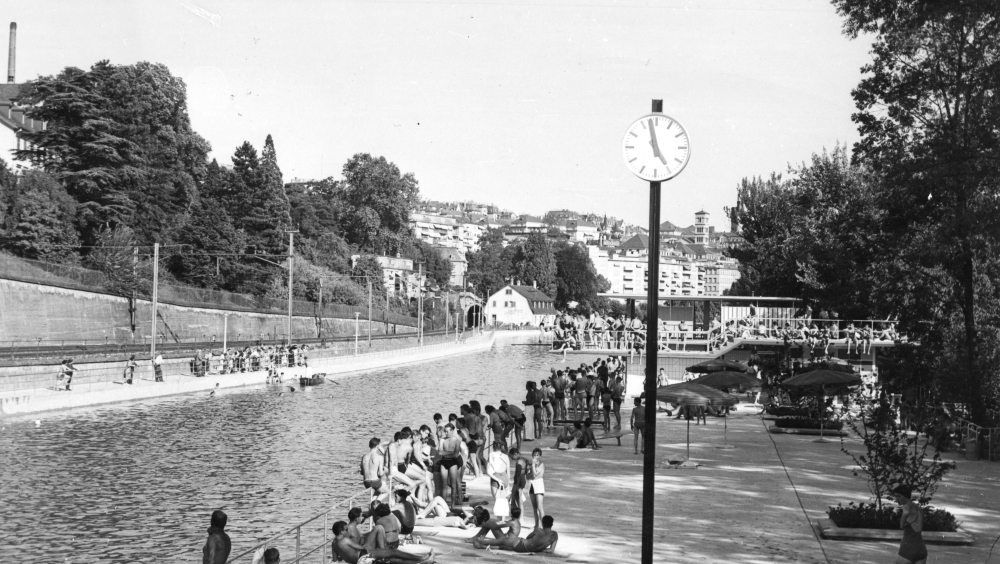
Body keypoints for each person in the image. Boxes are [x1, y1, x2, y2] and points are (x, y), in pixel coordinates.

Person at [331, 520, 434, 564]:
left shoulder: (334, 544)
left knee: (392, 560)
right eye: (346, 529)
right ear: (341, 532)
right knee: (393, 553)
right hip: (362, 556)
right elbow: (360, 547)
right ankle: (422, 558)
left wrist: (345, 554)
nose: (348, 531)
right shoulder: (345, 539)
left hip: (357, 561)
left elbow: (336, 559)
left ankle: (422, 561)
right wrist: (364, 545)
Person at [472, 514, 559, 553]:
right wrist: (538, 548)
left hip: (520, 543)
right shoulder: (554, 535)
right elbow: (551, 550)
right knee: (503, 546)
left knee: (502, 540)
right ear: (551, 524)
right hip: (525, 549)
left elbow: (528, 537)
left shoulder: (538, 530)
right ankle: (482, 546)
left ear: (543, 523)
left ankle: (481, 541)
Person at [893, 485, 927, 564]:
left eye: (899, 496)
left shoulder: (906, 506)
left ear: (906, 496)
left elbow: (903, 521)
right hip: (921, 548)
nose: (896, 499)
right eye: (895, 496)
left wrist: (903, 520)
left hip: (908, 548)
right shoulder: (918, 507)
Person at [437, 423, 464, 509]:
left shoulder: (457, 440)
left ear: (452, 431)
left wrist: (446, 454)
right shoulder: (442, 440)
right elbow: (440, 453)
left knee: (453, 485)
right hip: (444, 462)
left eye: (447, 431)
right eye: (445, 431)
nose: (446, 433)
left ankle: (452, 505)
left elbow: (455, 455)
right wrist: (450, 453)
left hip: (453, 463)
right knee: (444, 485)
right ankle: (444, 505)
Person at [527, 448, 545, 529]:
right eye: (534, 455)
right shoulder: (531, 465)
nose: (536, 457)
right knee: (534, 507)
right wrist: (530, 468)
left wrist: (533, 465)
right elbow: (528, 477)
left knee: (539, 506)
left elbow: (535, 474)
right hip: (532, 485)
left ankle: (543, 525)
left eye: (537, 455)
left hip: (539, 485)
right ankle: (536, 524)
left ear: (540, 456)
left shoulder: (541, 465)